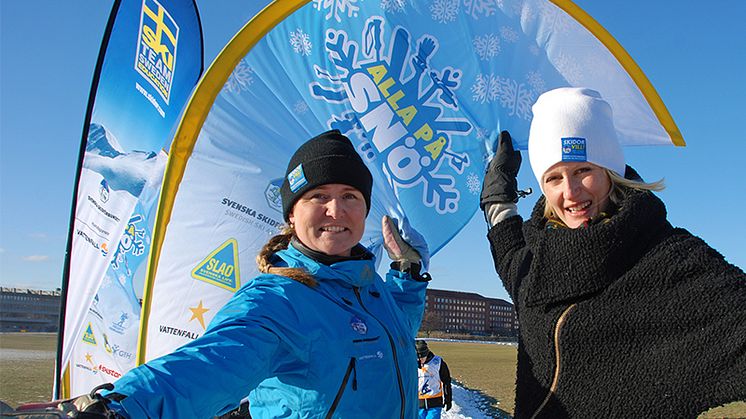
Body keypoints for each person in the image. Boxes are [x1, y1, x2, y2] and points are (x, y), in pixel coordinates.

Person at [52, 130, 431, 418]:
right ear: (291, 214)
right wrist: (124, 408)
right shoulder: (277, 300)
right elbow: (210, 364)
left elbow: (392, 332)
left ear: (364, 211)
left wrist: (408, 275)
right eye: (319, 196)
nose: (337, 209)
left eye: (351, 196)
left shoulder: (371, 287)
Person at [480, 87, 746, 418]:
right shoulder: (539, 260)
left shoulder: (671, 259)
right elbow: (510, 258)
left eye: (583, 170)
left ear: (610, 169)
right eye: (554, 178)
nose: (570, 192)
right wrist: (497, 202)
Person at [415, 340, 452, 419]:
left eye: (422, 358)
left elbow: (446, 381)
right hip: (418, 403)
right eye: (417, 358)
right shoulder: (411, 363)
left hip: (435, 401)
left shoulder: (437, 362)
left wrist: (448, 399)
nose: (420, 360)